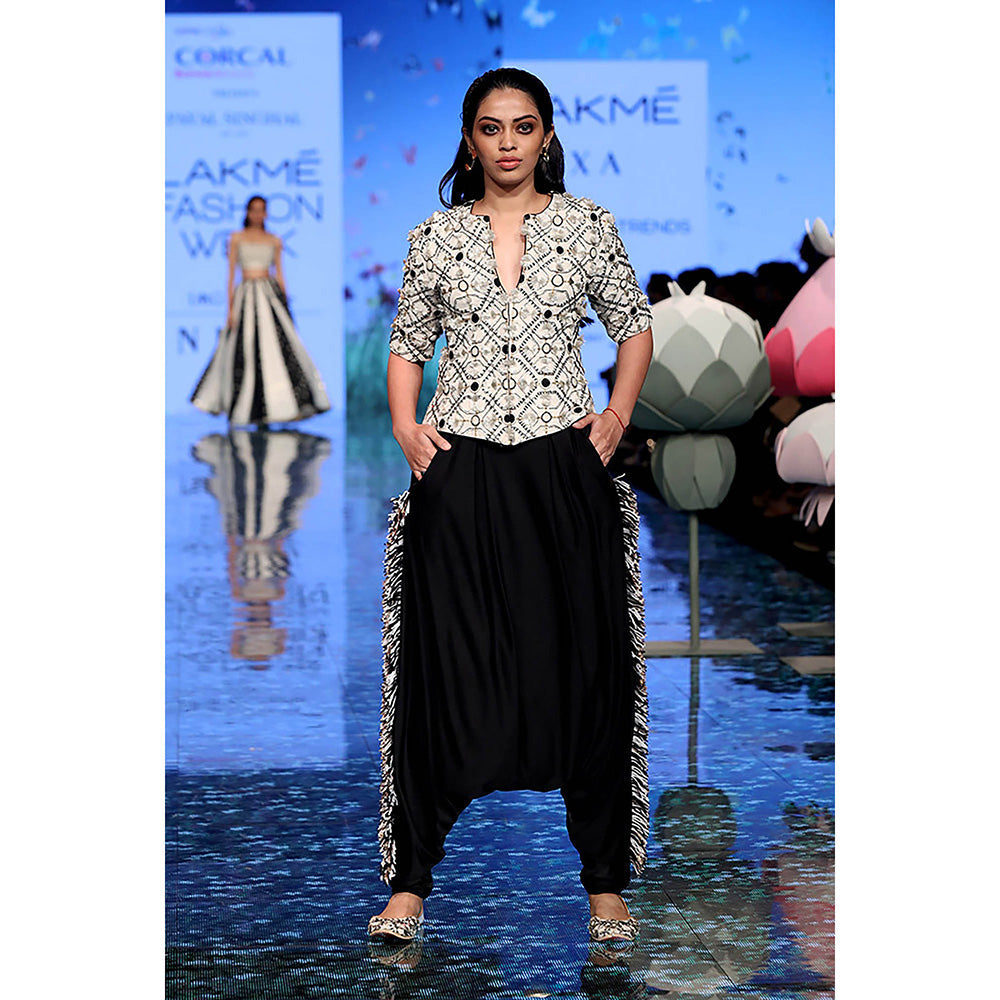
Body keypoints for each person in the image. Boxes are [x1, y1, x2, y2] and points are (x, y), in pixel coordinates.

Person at [370, 68, 654, 945]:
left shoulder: (587, 225)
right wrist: (406, 428)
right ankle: (410, 884)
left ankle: (605, 887)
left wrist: (615, 418)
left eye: (523, 127)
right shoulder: (435, 237)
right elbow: (408, 343)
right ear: (469, 141)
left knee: (587, 664)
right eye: (491, 128)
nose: (507, 143)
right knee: (441, 665)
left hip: (560, 466)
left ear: (546, 137)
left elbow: (634, 326)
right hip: (460, 469)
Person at [189, 195, 330, 428]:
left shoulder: (274, 240)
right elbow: (231, 275)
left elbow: (280, 273)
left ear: (266, 213)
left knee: (276, 351)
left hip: (269, 295)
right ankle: (246, 408)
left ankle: (280, 406)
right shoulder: (236, 238)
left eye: (261, 210)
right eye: (253, 209)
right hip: (245, 295)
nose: (257, 214)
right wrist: (229, 309)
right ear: (247, 212)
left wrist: (285, 304)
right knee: (244, 349)